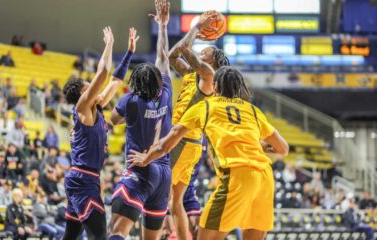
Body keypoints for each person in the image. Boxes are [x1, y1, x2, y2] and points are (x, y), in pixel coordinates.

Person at [129, 66, 289, 240]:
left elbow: (167, 143)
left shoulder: (205, 106)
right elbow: (283, 149)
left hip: (237, 176)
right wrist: (257, 145)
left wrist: (146, 158)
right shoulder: (253, 111)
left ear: (215, 87)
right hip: (265, 178)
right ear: (239, 88)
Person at [61, 26, 137, 240]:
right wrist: (109, 44)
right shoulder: (82, 107)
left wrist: (130, 53)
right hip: (83, 180)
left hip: (84, 178)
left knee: (71, 236)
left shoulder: (95, 108)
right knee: (99, 236)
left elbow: (114, 81)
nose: (94, 88)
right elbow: (103, 73)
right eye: (89, 86)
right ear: (83, 93)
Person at [109, 1, 171, 239]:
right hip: (164, 173)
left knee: (118, 230)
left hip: (141, 170)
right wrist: (163, 27)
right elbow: (162, 56)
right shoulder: (165, 92)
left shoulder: (130, 101)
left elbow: (114, 120)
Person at [167, 10, 230, 240]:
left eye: (207, 51)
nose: (203, 49)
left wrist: (196, 27)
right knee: (175, 203)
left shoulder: (209, 74)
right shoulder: (192, 74)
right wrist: (195, 31)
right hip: (185, 141)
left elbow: (184, 49)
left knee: (160, 195)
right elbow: (173, 56)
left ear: (212, 60)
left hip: (183, 140)